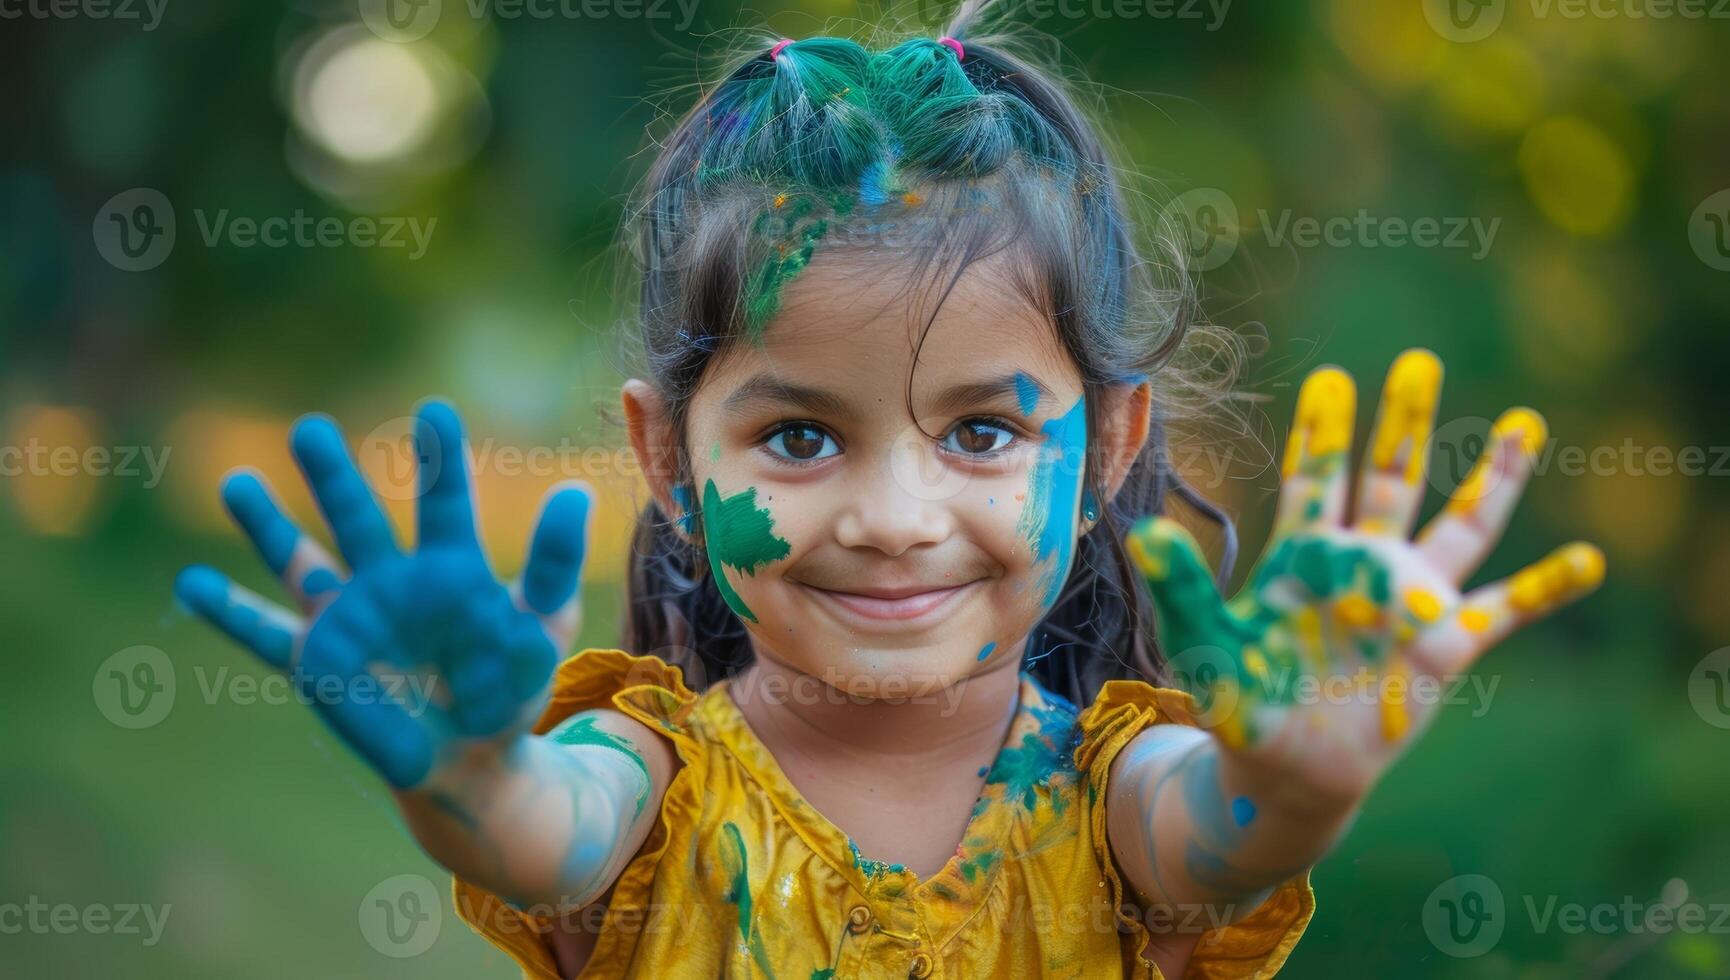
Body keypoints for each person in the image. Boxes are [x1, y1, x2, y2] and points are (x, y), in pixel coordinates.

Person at [173, 3, 1605, 976]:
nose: (895, 517)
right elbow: (543, 843)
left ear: (1104, 450)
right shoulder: (647, 774)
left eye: (982, 432)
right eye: (798, 438)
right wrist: (474, 776)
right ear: (670, 459)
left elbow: (1219, 841)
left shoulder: (1119, 795)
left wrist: (1292, 778)